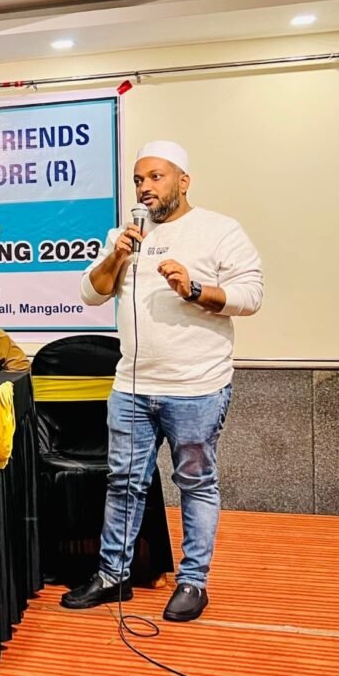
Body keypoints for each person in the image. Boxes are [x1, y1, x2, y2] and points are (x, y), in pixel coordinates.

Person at [60, 140, 263, 622]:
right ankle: (113, 575)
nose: (145, 187)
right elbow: (91, 293)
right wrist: (117, 256)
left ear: (183, 181)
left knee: (195, 483)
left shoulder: (219, 229)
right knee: (123, 483)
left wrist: (195, 289)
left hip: (197, 387)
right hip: (131, 387)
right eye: (138, 179)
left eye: (156, 176)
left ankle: (193, 582)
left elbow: (251, 295)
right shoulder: (124, 235)